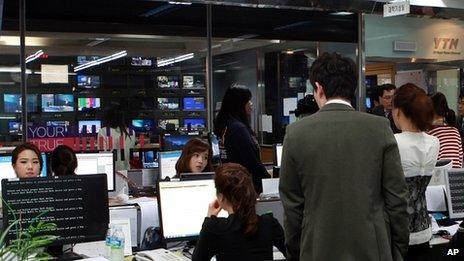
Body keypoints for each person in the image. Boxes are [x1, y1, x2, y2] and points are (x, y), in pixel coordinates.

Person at [279, 52, 409, 261]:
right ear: (353, 87)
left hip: (317, 249)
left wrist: (297, 251)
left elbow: (292, 207)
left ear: (319, 88)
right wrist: (397, 249)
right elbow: (397, 198)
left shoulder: (296, 133)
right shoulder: (379, 128)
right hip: (373, 248)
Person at [192, 163, 285, 261]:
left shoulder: (214, 227)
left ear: (221, 197)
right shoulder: (269, 223)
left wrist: (209, 218)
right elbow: (294, 254)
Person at [391, 83, 439, 260]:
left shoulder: (393, 141)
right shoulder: (434, 142)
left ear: (397, 111)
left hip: (396, 232)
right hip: (424, 230)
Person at [214, 85, 270, 193]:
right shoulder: (238, 129)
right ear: (239, 104)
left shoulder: (226, 126)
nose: (251, 104)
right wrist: (268, 179)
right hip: (247, 187)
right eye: (248, 100)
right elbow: (252, 162)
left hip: (233, 184)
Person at [428, 92, 463, 168]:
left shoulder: (431, 133)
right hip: (456, 176)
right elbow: (460, 160)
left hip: (440, 177)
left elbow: (430, 162)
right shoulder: (455, 131)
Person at [98, 106, 136, 171]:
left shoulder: (102, 131)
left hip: (110, 170)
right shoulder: (131, 132)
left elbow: (102, 155)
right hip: (126, 170)